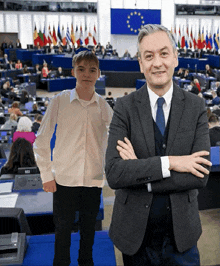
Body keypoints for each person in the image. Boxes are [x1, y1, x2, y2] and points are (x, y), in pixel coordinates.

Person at [105, 24, 211, 266]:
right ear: (141, 64)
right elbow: (115, 173)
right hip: (134, 237)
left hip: (182, 238)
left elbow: (200, 175)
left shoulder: (196, 107)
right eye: (148, 56)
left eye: (164, 53)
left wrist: (141, 172)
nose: (157, 63)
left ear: (175, 57)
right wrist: (172, 162)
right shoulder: (124, 108)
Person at [33, 50, 113, 266]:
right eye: (81, 69)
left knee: (89, 233)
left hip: (92, 180)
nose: (86, 74)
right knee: (62, 232)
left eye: (92, 70)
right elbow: (41, 140)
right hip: (64, 181)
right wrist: (46, 175)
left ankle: (86, 262)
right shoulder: (59, 101)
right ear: (73, 71)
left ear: (99, 74)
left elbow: (116, 140)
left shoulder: (104, 108)